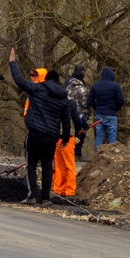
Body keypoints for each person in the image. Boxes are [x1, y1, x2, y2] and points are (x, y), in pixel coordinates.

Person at [9, 49, 72, 205]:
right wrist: (65, 139)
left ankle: (31, 196)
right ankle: (45, 198)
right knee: (47, 166)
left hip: (35, 134)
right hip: (52, 136)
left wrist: (12, 62)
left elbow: (19, 80)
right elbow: (66, 121)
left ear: (46, 79)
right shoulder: (63, 98)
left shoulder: (38, 89)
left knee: (31, 165)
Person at [48, 70, 85, 198]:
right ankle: (67, 191)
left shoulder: (53, 101)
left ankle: (59, 190)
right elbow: (77, 121)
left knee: (59, 166)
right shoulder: (70, 103)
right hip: (67, 138)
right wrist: (78, 135)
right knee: (68, 166)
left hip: (56, 138)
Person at [88, 66, 124, 148]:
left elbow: (90, 101)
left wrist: (96, 108)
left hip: (99, 114)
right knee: (112, 137)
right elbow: (121, 100)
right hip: (111, 115)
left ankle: (97, 156)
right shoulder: (115, 86)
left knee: (99, 136)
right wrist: (116, 109)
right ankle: (111, 156)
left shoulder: (95, 86)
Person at [66, 65, 90, 159]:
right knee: (80, 135)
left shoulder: (67, 88)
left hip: (68, 116)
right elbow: (85, 103)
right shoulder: (82, 89)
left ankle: (72, 152)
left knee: (71, 135)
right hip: (80, 115)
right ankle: (77, 153)